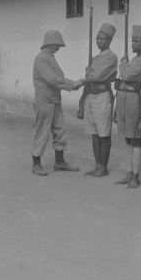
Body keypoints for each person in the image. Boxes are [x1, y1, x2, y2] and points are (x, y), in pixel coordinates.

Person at [32, 30, 84, 176]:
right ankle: (36, 163)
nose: (59, 48)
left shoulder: (50, 57)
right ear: (50, 43)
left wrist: (73, 84)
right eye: (57, 45)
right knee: (42, 132)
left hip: (54, 100)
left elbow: (56, 78)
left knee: (60, 130)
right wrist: (72, 84)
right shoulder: (41, 58)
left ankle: (59, 162)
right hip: (44, 101)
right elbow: (52, 79)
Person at [114, 25, 141, 188]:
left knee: (135, 138)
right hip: (122, 96)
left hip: (133, 99)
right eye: (132, 41)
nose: (132, 44)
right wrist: (125, 65)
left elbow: (127, 75)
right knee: (128, 138)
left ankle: (135, 176)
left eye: (136, 41)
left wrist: (122, 65)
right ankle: (129, 173)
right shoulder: (134, 60)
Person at [82, 23, 118, 177]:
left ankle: (104, 167)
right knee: (94, 132)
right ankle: (97, 165)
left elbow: (96, 76)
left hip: (103, 96)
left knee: (103, 133)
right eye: (97, 38)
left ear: (109, 41)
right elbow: (90, 78)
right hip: (91, 95)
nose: (99, 41)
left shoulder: (111, 57)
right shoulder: (95, 57)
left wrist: (89, 72)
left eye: (102, 39)